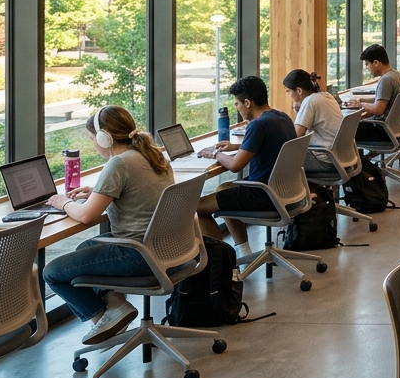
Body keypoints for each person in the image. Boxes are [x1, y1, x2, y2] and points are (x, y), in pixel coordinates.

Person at [43, 105, 177, 345]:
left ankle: (103, 319)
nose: (93, 144)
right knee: (85, 246)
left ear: (106, 138)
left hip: (137, 254)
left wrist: (62, 203)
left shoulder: (119, 164)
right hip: (168, 247)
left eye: (93, 138)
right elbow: (136, 190)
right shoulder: (154, 155)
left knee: (52, 273)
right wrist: (97, 191)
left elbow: (86, 216)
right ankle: (117, 307)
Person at [195, 76, 298, 249]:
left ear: (248, 102)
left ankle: (223, 261)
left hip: (262, 194)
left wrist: (215, 154)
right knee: (224, 189)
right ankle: (243, 251)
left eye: (237, 103)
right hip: (285, 190)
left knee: (197, 207)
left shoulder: (257, 125)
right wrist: (236, 146)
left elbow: (235, 166)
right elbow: (267, 144)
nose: (237, 108)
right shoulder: (281, 117)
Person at [345, 44, 400, 145]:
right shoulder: (397, 75)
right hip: (395, 127)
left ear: (376, 63)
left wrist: (360, 105)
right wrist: (364, 102)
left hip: (383, 130)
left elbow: (378, 109)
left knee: (347, 131)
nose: (367, 68)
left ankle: (360, 160)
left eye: (367, 64)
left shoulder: (386, 80)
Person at [283, 69, 344, 173]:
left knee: (280, 162)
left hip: (327, 160)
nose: (288, 95)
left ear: (299, 91)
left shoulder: (310, 102)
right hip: (341, 156)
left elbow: (296, 136)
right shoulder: (326, 95)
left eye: (288, 91)